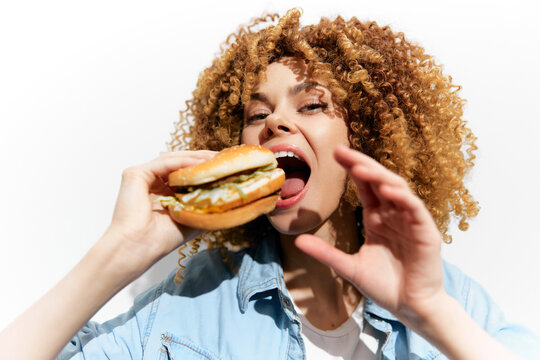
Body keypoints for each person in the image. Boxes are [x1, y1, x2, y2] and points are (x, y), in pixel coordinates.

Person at [1, 8, 538, 360]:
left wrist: (431, 314)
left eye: (310, 105)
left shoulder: (449, 296)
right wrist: (120, 251)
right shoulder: (185, 309)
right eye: (257, 113)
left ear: (370, 136)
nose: (275, 124)